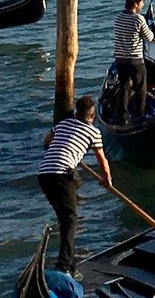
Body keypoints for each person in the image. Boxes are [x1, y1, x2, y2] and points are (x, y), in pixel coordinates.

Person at [34, 96, 114, 268]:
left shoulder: (63, 124)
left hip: (43, 174)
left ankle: (69, 263)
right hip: (62, 175)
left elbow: (47, 140)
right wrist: (107, 180)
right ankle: (64, 266)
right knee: (70, 220)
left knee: (65, 220)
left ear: (77, 112)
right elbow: (102, 159)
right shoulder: (93, 132)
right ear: (92, 116)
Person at [111, 0, 155, 115]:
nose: (142, 5)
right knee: (140, 88)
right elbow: (149, 37)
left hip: (120, 58)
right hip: (134, 59)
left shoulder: (118, 17)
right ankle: (139, 114)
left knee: (124, 87)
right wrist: (149, 31)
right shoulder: (138, 19)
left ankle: (122, 115)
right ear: (136, 3)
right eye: (142, 3)